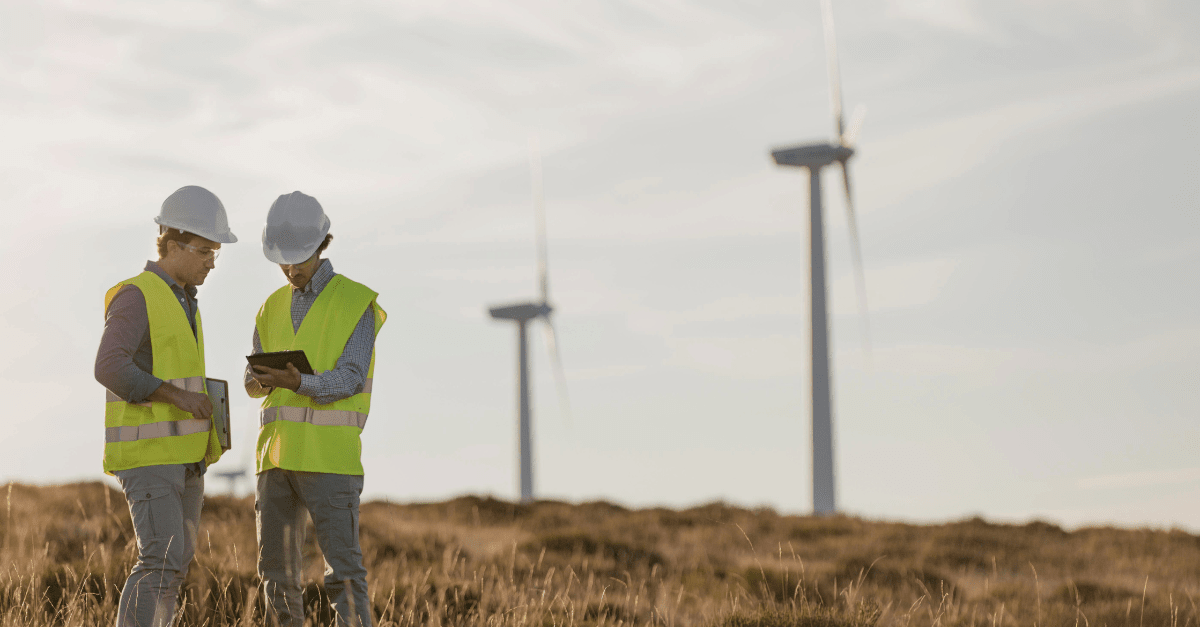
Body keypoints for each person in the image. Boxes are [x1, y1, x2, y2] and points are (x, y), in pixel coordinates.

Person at [94, 185, 238, 627]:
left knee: (172, 568)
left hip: (185, 461)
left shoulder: (184, 301)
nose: (212, 261)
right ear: (172, 244)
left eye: (216, 252)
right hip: (151, 459)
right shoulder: (136, 296)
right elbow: (108, 366)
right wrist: (177, 397)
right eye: (204, 251)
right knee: (160, 562)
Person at [245, 191, 385, 627]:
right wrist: (258, 379)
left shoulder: (355, 302)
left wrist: (299, 382)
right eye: (282, 260)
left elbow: (348, 378)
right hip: (276, 459)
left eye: (298, 258)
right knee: (275, 576)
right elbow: (252, 381)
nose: (290, 268)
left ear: (323, 245)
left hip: (330, 460)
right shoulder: (270, 306)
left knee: (343, 575)